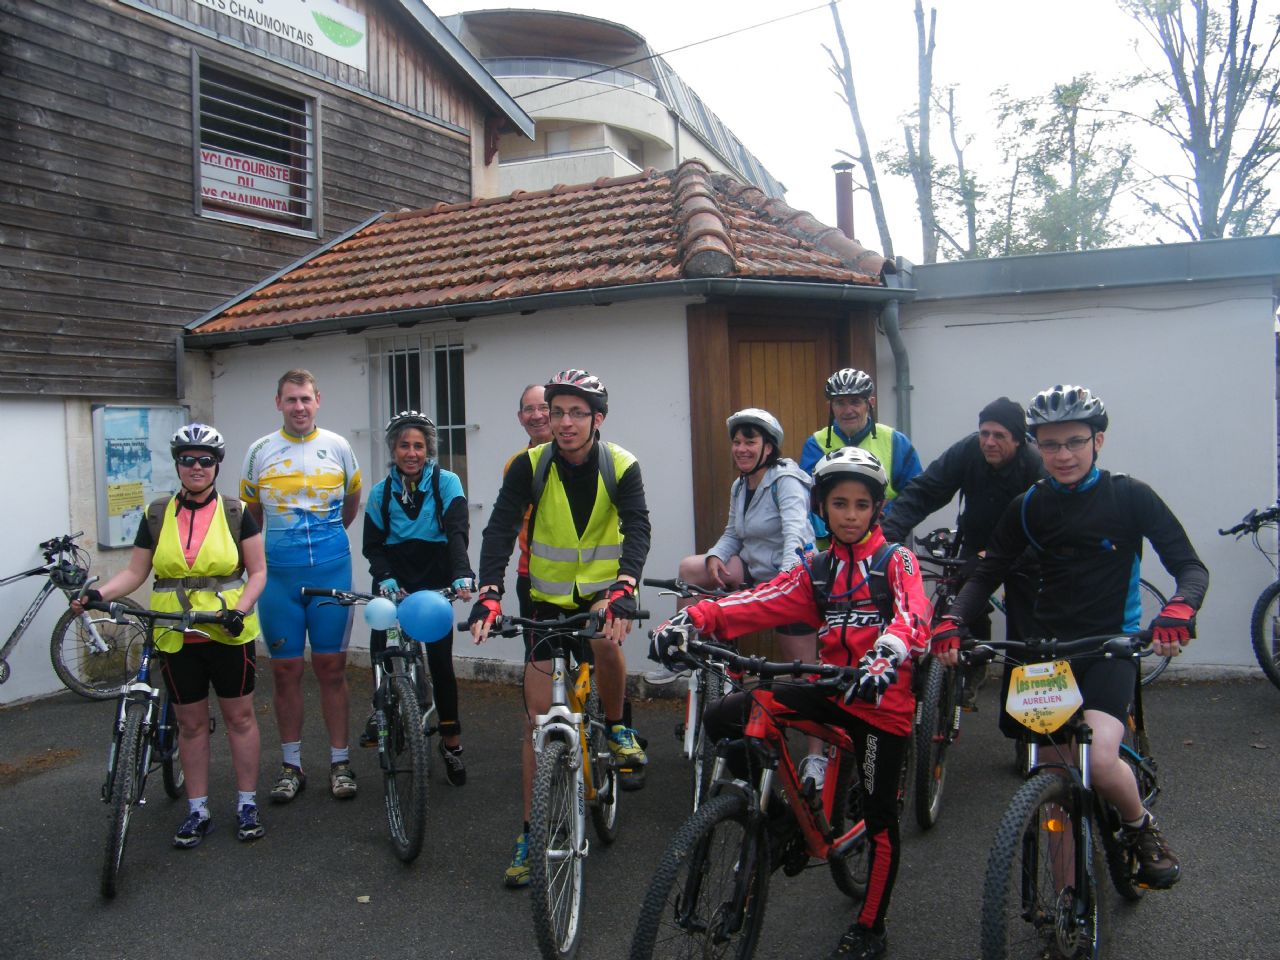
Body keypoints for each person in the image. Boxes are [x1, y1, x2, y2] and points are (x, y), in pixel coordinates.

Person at [651, 447, 931, 960]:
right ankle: (780, 816)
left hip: (880, 702)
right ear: (822, 507)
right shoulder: (817, 570)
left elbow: (913, 613)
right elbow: (760, 600)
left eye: (861, 505)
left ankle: (871, 926)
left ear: (876, 510)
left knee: (881, 817)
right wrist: (693, 621)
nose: (850, 514)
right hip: (831, 689)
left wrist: (887, 654)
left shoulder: (896, 560)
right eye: (839, 503)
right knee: (727, 714)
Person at [933, 384, 1208, 891]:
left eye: (1074, 442)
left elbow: (1189, 566)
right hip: (1045, 655)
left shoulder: (1131, 496)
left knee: (1100, 759)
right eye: (1050, 444)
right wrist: (953, 620)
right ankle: (1066, 909)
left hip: (1110, 647)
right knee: (1051, 779)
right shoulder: (1026, 506)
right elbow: (986, 572)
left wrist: (1179, 609)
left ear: (1097, 441)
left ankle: (1139, 827)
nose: (1062, 455)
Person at [469, 369, 652, 888]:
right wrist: (489, 591)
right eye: (557, 412)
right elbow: (501, 527)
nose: (565, 422)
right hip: (546, 599)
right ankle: (530, 833)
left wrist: (625, 582)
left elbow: (637, 524)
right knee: (536, 721)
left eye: (577, 413)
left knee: (603, 636)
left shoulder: (621, 465)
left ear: (597, 419)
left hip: (603, 592)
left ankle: (616, 726)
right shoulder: (530, 465)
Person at [74, 424, 267, 847]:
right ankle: (198, 810)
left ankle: (247, 803)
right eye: (187, 459)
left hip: (226, 630)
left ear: (216, 465)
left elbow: (258, 573)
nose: (196, 467)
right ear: (178, 464)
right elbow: (135, 573)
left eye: (205, 460)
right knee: (191, 724)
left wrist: (240, 609)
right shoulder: (158, 513)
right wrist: (96, 594)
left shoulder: (236, 512)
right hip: (174, 634)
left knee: (239, 718)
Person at [241, 369, 363, 803]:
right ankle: (291, 765)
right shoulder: (259, 451)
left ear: (318, 400)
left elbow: (351, 504)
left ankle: (340, 761)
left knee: (331, 669)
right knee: (285, 671)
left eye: (305, 399)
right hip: (279, 578)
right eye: (290, 400)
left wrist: (326, 544)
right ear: (278, 403)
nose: (299, 407)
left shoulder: (339, 448)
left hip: (330, 572)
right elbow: (251, 516)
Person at [880, 397, 1045, 706]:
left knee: (1025, 636)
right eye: (984, 433)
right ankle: (971, 666)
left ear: (1018, 440)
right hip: (977, 541)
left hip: (1025, 550)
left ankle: (1024, 726)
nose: (989, 442)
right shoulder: (969, 450)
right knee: (959, 606)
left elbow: (1047, 532)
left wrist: (995, 558)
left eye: (999, 436)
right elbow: (926, 489)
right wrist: (888, 535)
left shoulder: (1035, 463)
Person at [646, 408, 814, 684]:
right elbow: (733, 534)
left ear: (769, 448)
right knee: (690, 568)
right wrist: (715, 556)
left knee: (801, 675)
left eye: (750, 442)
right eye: (737, 442)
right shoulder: (740, 485)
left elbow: (796, 538)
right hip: (753, 568)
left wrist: (782, 584)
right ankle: (682, 651)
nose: (741, 449)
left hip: (791, 578)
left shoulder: (786, 481)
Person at [361, 411, 475, 785]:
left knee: (441, 664)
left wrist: (461, 573)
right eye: (404, 445)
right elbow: (373, 547)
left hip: (436, 582)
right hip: (397, 581)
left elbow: (457, 532)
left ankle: (451, 744)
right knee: (384, 650)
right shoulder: (380, 493)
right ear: (393, 449)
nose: (411, 452)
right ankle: (381, 709)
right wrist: (386, 577)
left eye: (418, 446)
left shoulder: (447, 482)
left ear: (428, 450)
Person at [799, 368, 922, 537]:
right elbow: (809, 497)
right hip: (830, 547)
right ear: (830, 407)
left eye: (855, 402)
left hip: (883, 540)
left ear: (871, 403)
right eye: (840, 403)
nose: (848, 410)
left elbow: (916, 494)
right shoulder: (815, 443)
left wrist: (883, 516)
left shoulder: (895, 441)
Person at [506, 384, 554, 618]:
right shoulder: (516, 465)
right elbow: (506, 524)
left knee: (595, 654)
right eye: (529, 409)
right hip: (531, 576)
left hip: (583, 581)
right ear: (520, 417)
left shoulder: (582, 458)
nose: (536, 415)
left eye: (544, 407)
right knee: (538, 654)